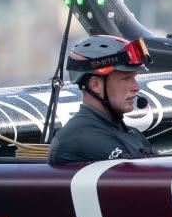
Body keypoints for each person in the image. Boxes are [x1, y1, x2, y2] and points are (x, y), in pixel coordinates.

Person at [48, 34, 156, 164]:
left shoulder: (131, 133)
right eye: (126, 78)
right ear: (96, 85)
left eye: (134, 78)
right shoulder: (81, 138)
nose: (136, 87)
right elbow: (135, 174)